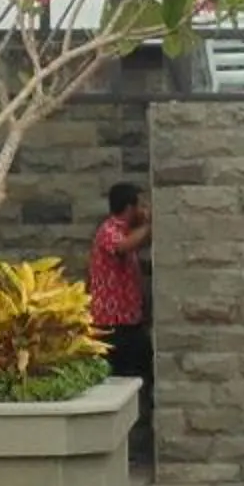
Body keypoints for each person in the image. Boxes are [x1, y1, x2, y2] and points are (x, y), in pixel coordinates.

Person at [89, 181, 153, 446]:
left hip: (129, 323)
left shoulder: (125, 229)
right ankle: (118, 441)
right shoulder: (108, 231)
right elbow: (123, 247)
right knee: (118, 382)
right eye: (140, 204)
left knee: (140, 376)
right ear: (129, 207)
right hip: (112, 326)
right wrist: (152, 225)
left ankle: (134, 438)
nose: (143, 209)